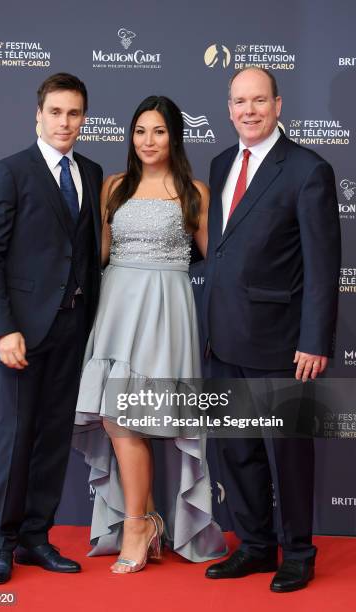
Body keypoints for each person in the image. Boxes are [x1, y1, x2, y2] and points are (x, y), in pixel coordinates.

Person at [75, 95, 226, 573]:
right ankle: (140, 523)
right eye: (140, 131)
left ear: (174, 136)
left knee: (134, 418)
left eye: (158, 131)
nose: (148, 140)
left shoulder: (194, 192)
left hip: (166, 312)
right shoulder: (114, 187)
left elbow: (220, 264)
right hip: (118, 306)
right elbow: (96, 255)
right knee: (117, 418)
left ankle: (141, 524)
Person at [203, 67, 341, 592]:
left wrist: (314, 339)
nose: (249, 111)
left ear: (278, 105)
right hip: (223, 336)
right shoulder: (219, 164)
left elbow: (323, 265)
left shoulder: (308, 169)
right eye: (240, 101)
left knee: (288, 453)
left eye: (259, 100)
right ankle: (256, 547)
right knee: (236, 450)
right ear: (229, 107)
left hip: (282, 340)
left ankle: (298, 552)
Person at [0, 73, 102, 584]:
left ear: (84, 118)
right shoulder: (9, 172)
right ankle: (1, 543)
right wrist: (3, 329)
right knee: (17, 437)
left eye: (74, 113)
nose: (65, 122)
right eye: (56, 112)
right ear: (39, 115)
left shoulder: (91, 172)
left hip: (74, 328)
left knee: (52, 438)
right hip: (22, 334)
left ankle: (35, 538)